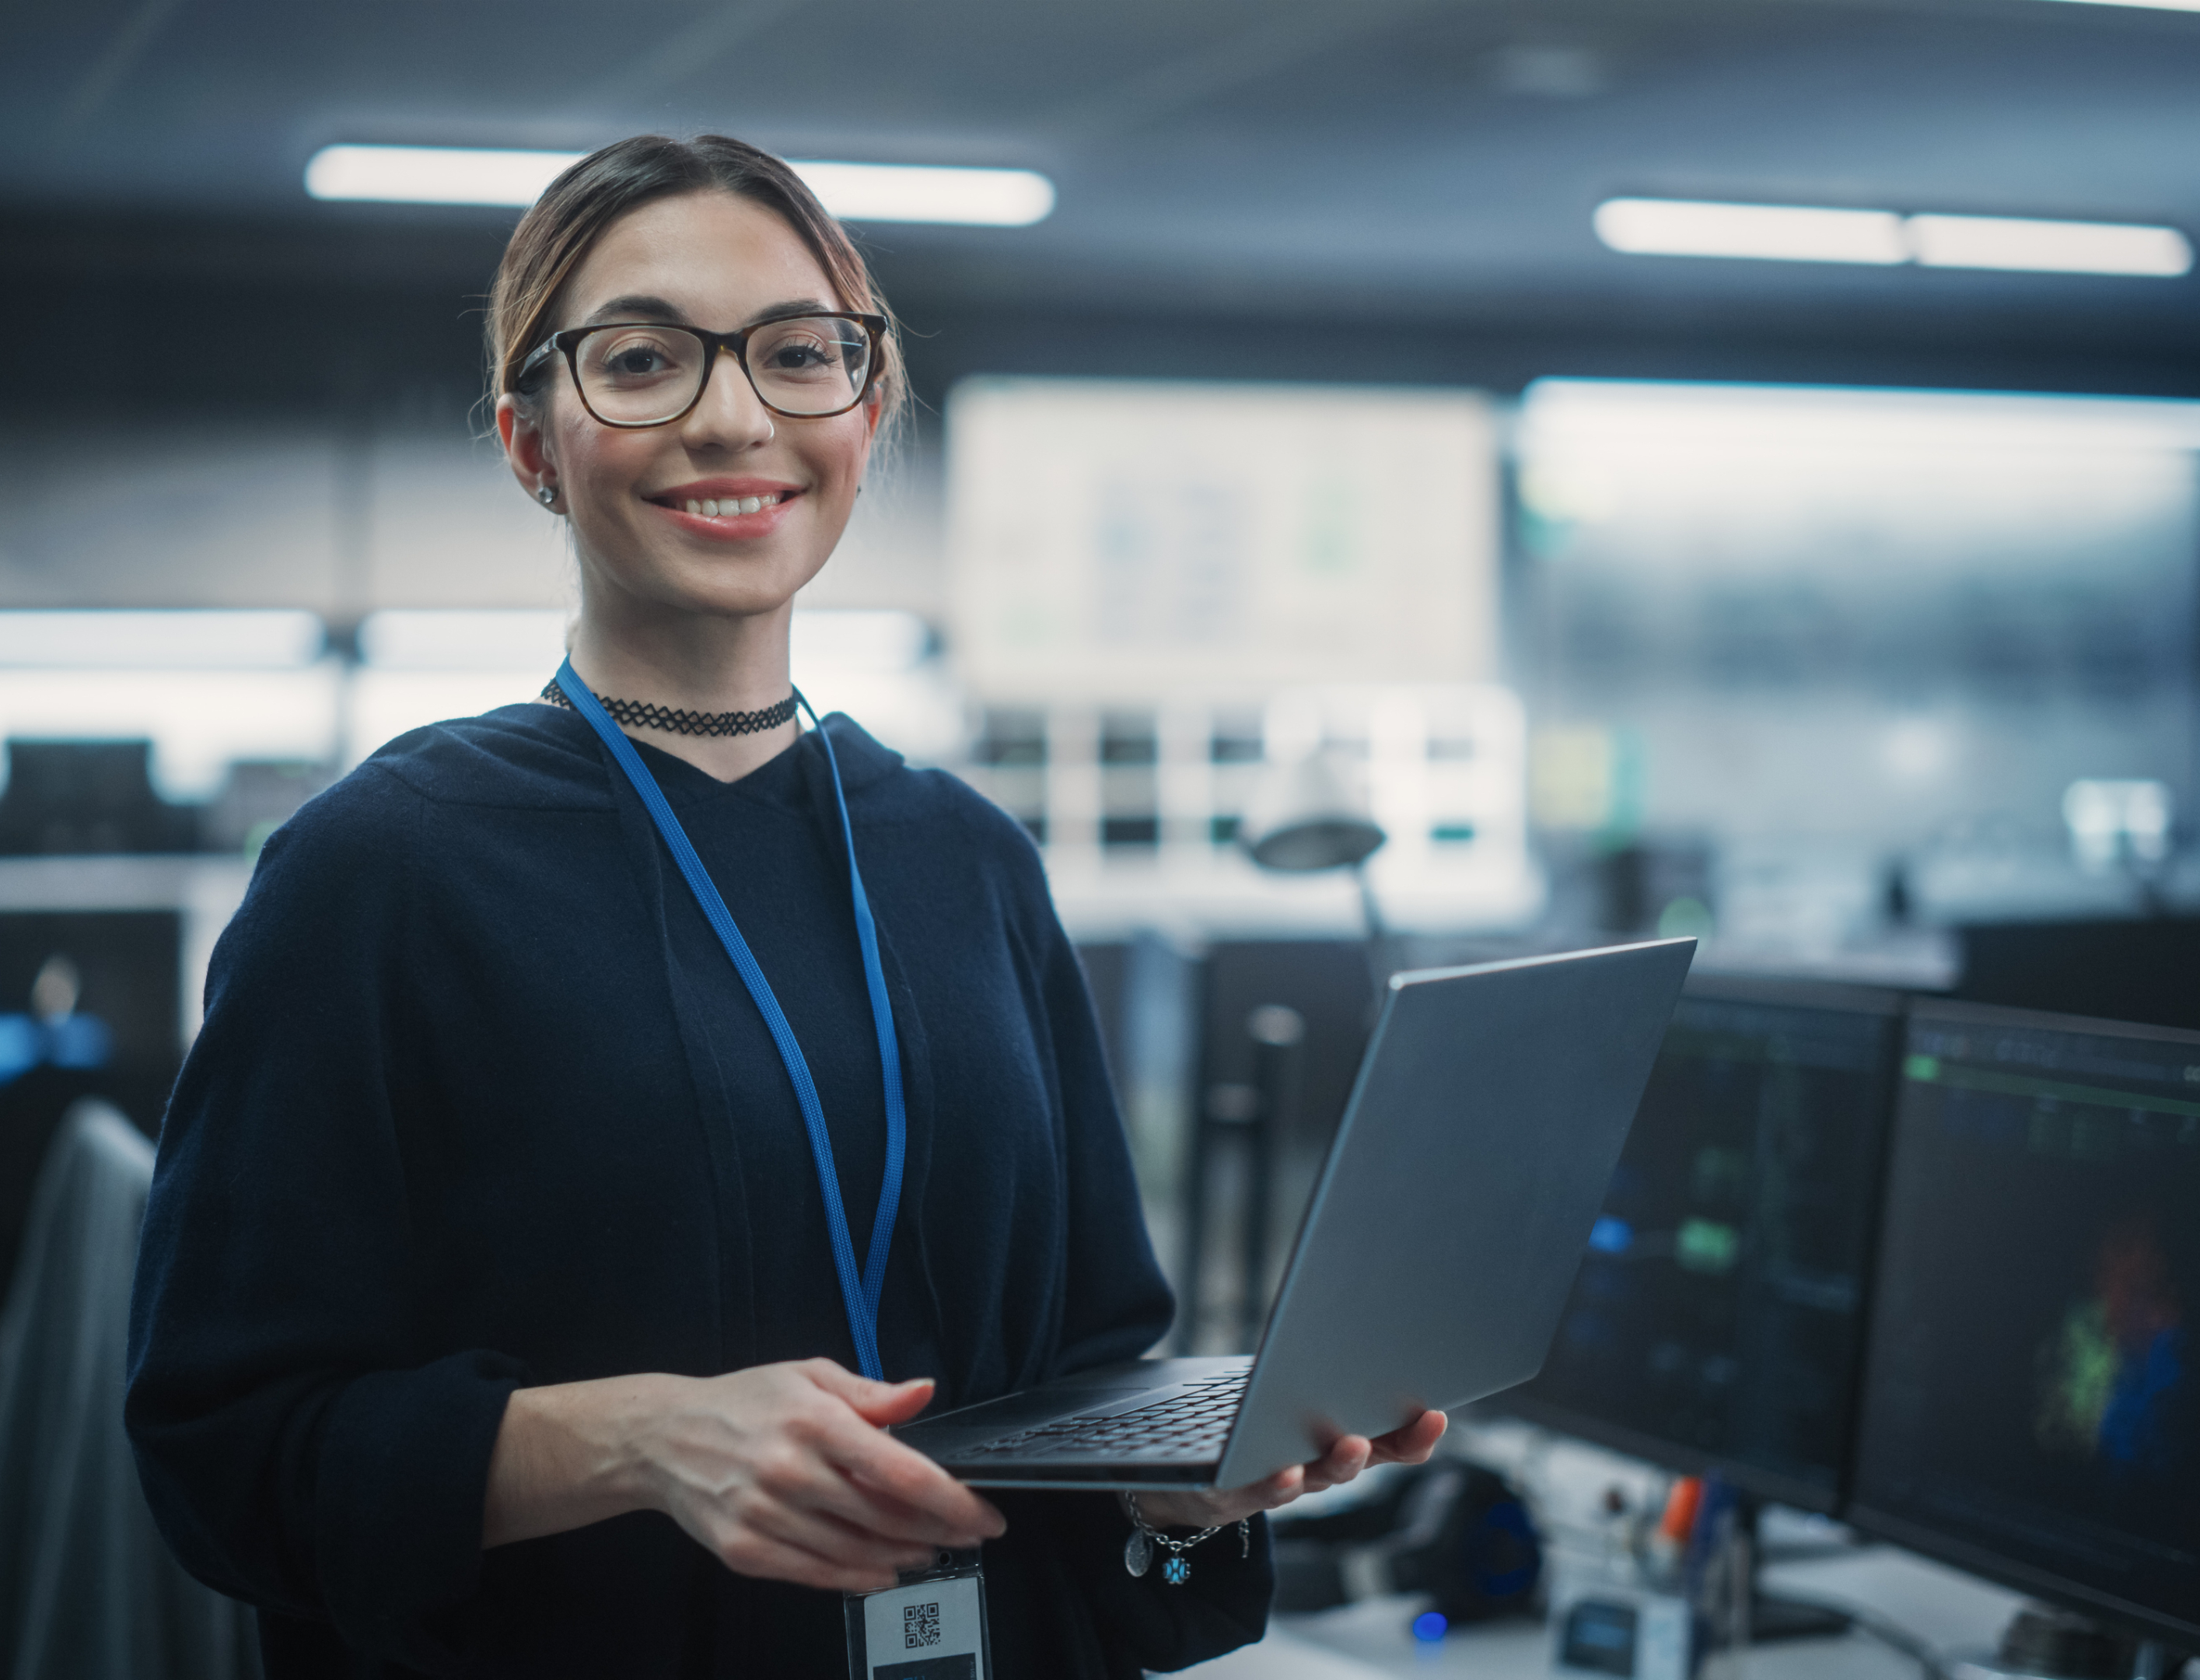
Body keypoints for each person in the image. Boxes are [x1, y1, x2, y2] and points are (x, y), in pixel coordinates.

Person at [124, 134, 1443, 1679]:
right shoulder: (384, 871)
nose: (733, 415)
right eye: (640, 360)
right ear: (530, 441)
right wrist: (639, 1440)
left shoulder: (970, 858)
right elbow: (225, 1454)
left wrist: (1180, 1490)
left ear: (866, 415)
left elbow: (1092, 1372)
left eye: (800, 356)